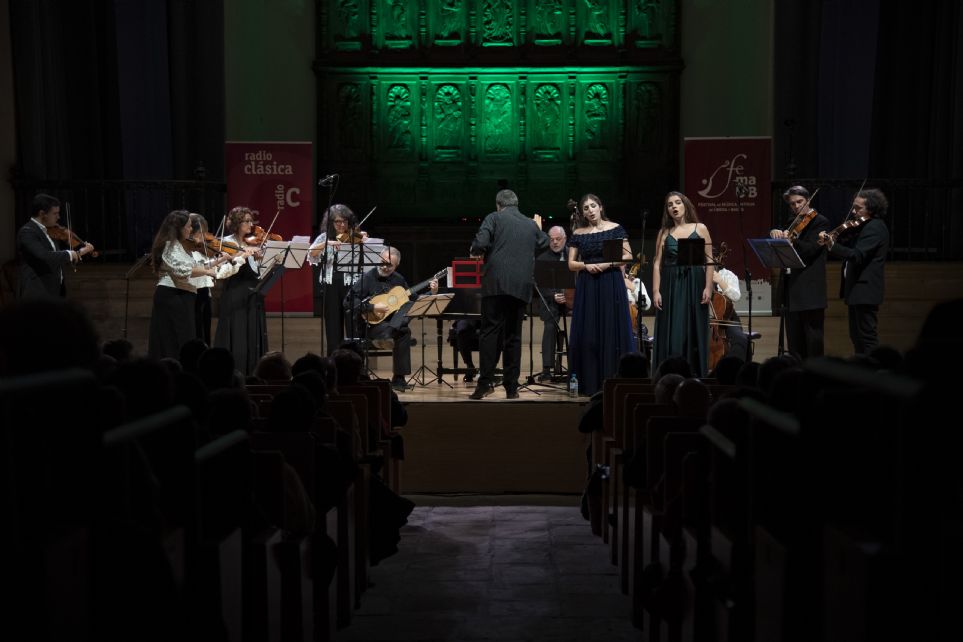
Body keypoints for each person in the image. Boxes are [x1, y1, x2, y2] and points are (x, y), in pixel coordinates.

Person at [468, 189, 549, 399]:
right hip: (521, 285)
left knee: (489, 333)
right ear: (516, 204)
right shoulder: (530, 224)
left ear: (498, 204)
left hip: (495, 284)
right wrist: (537, 228)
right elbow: (544, 242)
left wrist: (476, 250)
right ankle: (511, 388)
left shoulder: (493, 217)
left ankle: (484, 384)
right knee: (513, 336)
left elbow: (480, 244)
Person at [566, 194, 635, 396]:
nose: (590, 210)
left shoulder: (615, 228)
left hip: (611, 282)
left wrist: (605, 264)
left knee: (611, 328)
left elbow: (628, 256)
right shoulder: (579, 233)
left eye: (593, 206)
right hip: (588, 284)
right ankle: (589, 381)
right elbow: (571, 264)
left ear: (600, 207)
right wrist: (587, 265)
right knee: (588, 332)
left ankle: (613, 381)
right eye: (586, 207)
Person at [346, 246, 438, 392]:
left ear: (396, 265)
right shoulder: (367, 278)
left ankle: (398, 378)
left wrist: (431, 293)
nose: (384, 266)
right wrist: (372, 308)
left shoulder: (398, 279)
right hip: (372, 327)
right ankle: (399, 377)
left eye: (390, 265)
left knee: (408, 307)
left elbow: (414, 301)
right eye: (382, 262)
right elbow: (348, 301)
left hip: (389, 328)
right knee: (404, 331)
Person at [818, 188, 889, 355]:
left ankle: (873, 372)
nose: (854, 212)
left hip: (865, 290)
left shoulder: (875, 227)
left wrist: (832, 245)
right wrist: (834, 239)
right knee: (856, 336)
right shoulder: (864, 226)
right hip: (857, 290)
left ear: (871, 208)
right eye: (854, 207)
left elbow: (857, 255)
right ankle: (864, 370)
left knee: (866, 337)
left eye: (859, 208)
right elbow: (848, 244)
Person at [651, 191, 713, 377]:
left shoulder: (700, 228)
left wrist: (708, 287)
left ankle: (694, 376)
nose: (674, 207)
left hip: (694, 283)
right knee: (673, 332)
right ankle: (670, 376)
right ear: (667, 210)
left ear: (685, 205)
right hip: (670, 286)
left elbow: (709, 261)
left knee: (693, 332)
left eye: (678, 203)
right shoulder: (664, 233)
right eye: (670, 205)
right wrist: (655, 291)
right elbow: (656, 263)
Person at [147, 210, 218, 360]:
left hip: (183, 296)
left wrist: (217, 262)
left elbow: (195, 264)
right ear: (178, 228)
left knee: (184, 339)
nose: (191, 229)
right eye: (188, 226)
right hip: (172, 296)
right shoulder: (169, 246)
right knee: (173, 340)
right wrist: (208, 271)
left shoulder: (179, 246)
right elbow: (182, 270)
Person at [770, 185, 829, 359]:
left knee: (813, 341)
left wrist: (793, 240)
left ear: (808, 200)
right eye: (792, 204)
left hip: (809, 290)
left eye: (799, 202)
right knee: (794, 342)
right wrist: (775, 232)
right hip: (791, 289)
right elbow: (783, 244)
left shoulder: (820, 221)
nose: (796, 207)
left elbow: (811, 250)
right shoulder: (792, 221)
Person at [213, 206, 269, 374]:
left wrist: (261, 259)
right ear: (237, 223)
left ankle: (253, 370)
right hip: (235, 293)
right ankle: (235, 370)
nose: (251, 224)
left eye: (251, 221)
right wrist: (242, 256)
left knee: (252, 332)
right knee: (236, 331)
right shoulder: (228, 243)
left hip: (253, 293)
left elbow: (259, 271)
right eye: (246, 221)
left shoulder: (252, 243)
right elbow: (222, 271)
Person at [307, 204, 368, 355]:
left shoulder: (355, 235)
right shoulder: (324, 237)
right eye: (338, 222)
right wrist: (327, 244)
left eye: (345, 221)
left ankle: (356, 361)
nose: (342, 225)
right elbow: (311, 254)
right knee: (333, 326)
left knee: (353, 325)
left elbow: (368, 254)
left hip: (352, 284)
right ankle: (333, 362)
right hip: (331, 284)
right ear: (330, 223)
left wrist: (363, 240)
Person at [16, 193, 95, 299]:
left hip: (54, 292)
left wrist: (79, 253)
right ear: (42, 213)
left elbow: (57, 259)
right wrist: (75, 253)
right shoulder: (27, 232)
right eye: (55, 213)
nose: (58, 217)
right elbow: (45, 256)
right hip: (37, 294)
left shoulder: (49, 230)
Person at [186, 213, 248, 345]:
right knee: (195, 335)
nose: (205, 237)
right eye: (201, 233)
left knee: (204, 335)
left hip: (204, 295)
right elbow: (210, 271)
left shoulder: (203, 250)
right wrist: (238, 258)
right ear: (191, 231)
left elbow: (215, 271)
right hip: (192, 296)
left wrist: (223, 260)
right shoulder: (188, 252)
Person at [535, 225, 568, 381]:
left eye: (558, 239)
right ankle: (546, 368)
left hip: (571, 299)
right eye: (552, 239)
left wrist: (568, 295)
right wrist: (554, 295)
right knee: (549, 327)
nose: (554, 242)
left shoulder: (573, 255)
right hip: (551, 300)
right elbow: (541, 285)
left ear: (564, 239)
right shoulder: (542, 258)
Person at [710, 261, 748, 359]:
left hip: (727, 318)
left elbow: (736, 296)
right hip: (705, 318)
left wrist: (720, 281)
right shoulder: (698, 274)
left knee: (740, 339)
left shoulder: (728, 275)